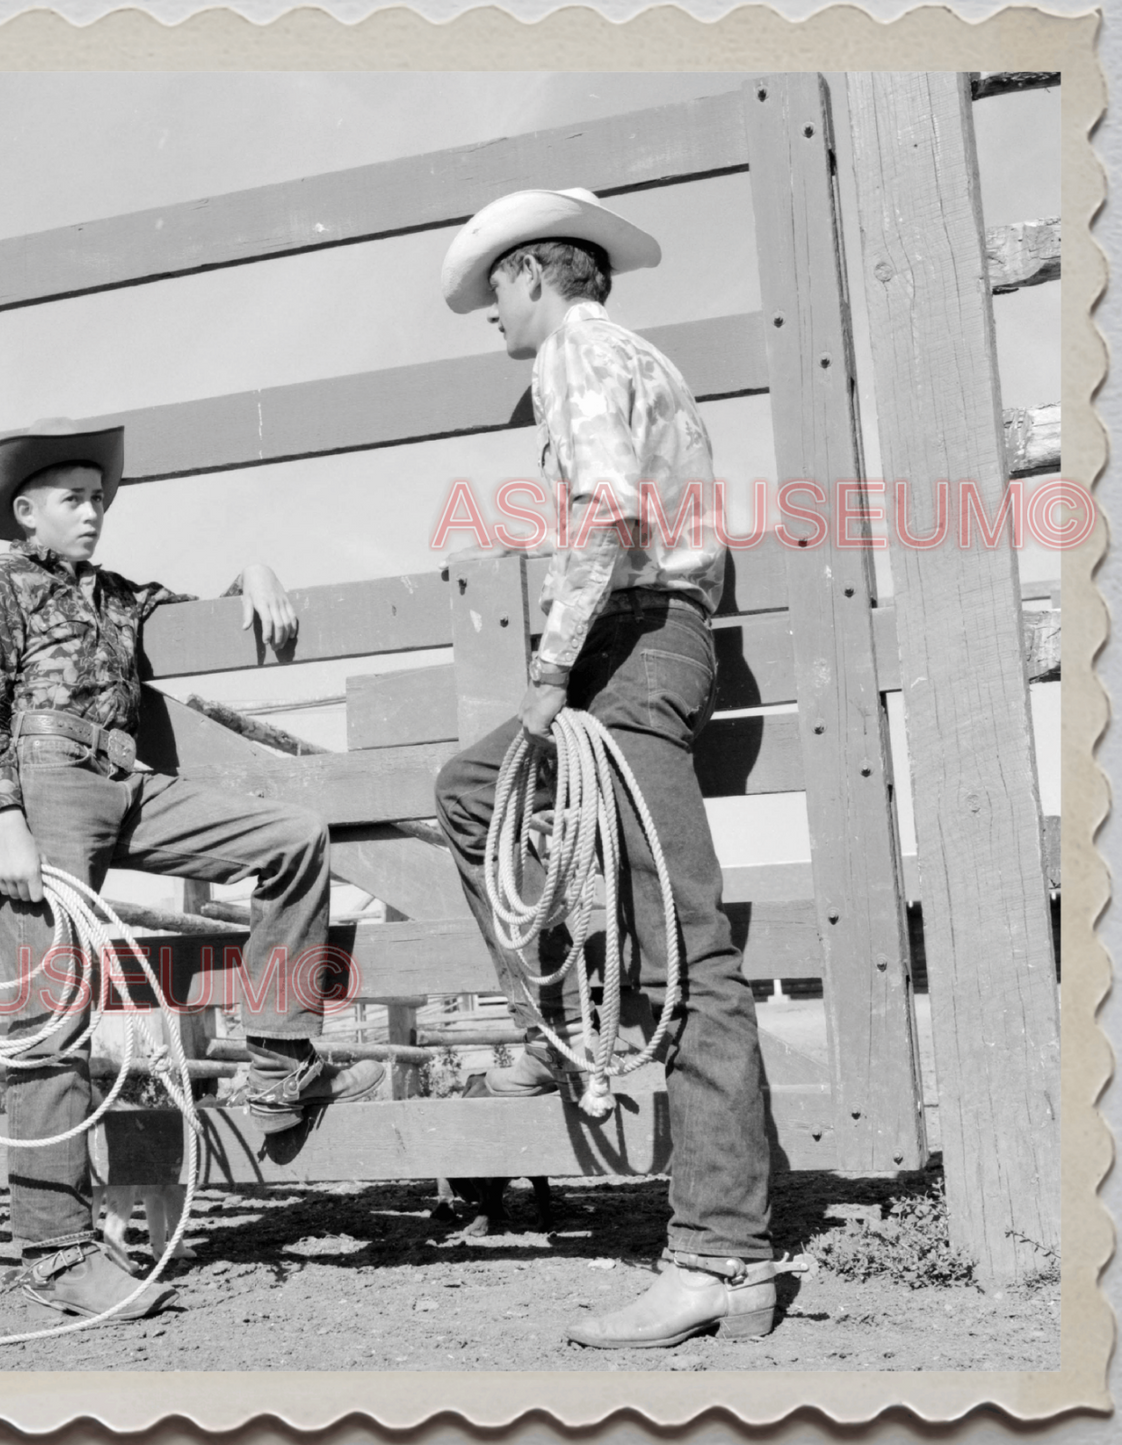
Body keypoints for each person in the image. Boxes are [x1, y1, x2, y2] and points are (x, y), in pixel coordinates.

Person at [433, 190, 776, 1348]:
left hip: (632, 641)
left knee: (687, 940)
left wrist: (544, 671)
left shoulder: (576, 353)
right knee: (471, 792)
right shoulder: (635, 358)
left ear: (534, 276)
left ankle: (720, 1255)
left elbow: (603, 511)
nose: (489, 316)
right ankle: (564, 1016)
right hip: (644, 637)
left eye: (494, 292)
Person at [0, 418, 383, 1321]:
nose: (92, 513)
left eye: (98, 499)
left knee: (293, 836)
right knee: (48, 1015)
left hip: (128, 780)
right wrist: (5, 818)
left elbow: (191, 607)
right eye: (73, 500)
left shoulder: (114, 593)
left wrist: (253, 572)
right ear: (26, 510)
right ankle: (55, 1247)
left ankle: (274, 1062)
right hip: (48, 783)